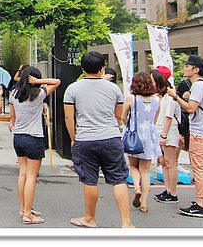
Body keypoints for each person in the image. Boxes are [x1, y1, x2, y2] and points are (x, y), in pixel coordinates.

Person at [64, 51, 134, 228]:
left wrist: (73, 138)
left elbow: (69, 117)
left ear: (83, 68)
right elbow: (118, 116)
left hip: (85, 139)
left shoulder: (72, 88)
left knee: (89, 179)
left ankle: (90, 218)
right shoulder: (114, 89)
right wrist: (111, 128)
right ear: (102, 69)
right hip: (111, 137)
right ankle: (126, 223)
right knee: (119, 179)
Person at [167, 55, 203, 218]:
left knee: (199, 168)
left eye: (188, 66)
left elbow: (191, 109)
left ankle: (200, 205)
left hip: (200, 133)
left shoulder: (197, 86)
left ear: (196, 69)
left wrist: (175, 96)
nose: (185, 68)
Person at [9, 65, 60, 225]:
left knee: (22, 174)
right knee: (31, 176)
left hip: (18, 137)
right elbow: (57, 81)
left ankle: (24, 208)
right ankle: (28, 215)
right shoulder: (39, 94)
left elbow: (12, 117)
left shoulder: (13, 94)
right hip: (34, 137)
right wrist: (38, 81)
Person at [121, 72, 163, 213]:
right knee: (145, 170)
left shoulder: (131, 98)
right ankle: (144, 203)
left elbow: (123, 117)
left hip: (135, 135)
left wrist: (129, 125)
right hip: (150, 136)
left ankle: (136, 188)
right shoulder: (157, 99)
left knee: (133, 166)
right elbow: (155, 119)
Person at [152, 66, 180, 204]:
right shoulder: (162, 95)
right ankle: (167, 189)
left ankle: (172, 193)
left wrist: (164, 135)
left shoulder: (170, 95)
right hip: (162, 131)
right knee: (163, 162)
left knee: (170, 163)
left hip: (168, 131)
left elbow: (169, 116)